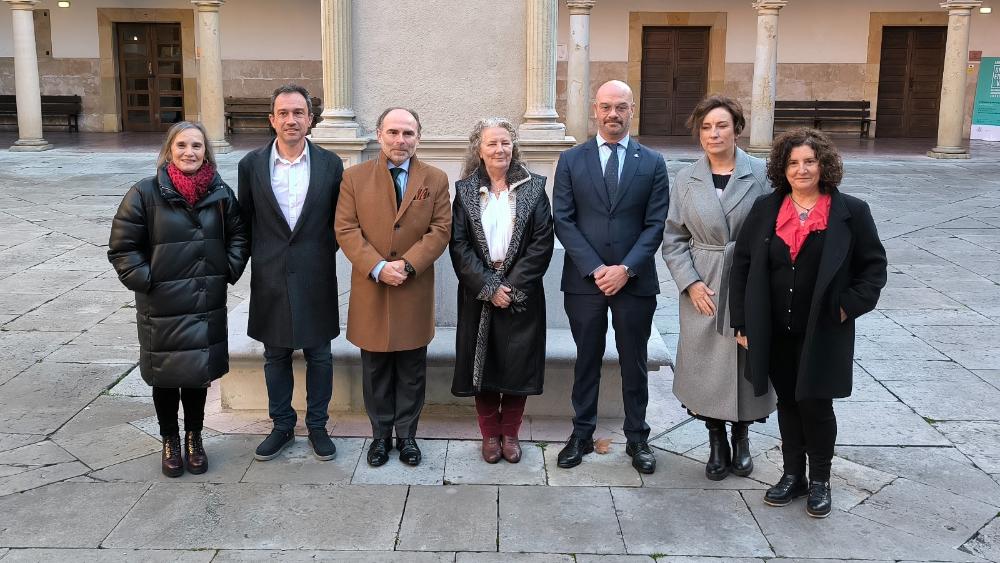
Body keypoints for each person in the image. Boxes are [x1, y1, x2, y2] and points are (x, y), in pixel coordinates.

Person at [730, 128, 887, 518]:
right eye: (793, 163)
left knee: (816, 405)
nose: (802, 170)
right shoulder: (767, 209)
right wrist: (743, 323)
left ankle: (820, 481)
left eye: (810, 162)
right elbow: (743, 265)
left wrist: (845, 308)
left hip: (823, 330)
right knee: (787, 403)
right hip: (774, 330)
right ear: (782, 168)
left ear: (824, 165)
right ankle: (792, 476)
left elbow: (874, 269)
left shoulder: (851, 211)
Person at [108, 121, 249, 477]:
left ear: (206, 152)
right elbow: (123, 247)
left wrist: (225, 270)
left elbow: (239, 235)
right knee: (167, 376)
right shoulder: (144, 193)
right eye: (182, 145)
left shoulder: (219, 193)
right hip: (163, 305)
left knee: (197, 375)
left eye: (197, 146)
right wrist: (147, 280)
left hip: (204, 300)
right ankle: (169, 439)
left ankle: (194, 438)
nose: (190, 152)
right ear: (170, 150)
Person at [553, 80, 670, 474]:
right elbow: (564, 221)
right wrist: (597, 268)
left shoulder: (652, 162)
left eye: (621, 107)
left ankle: (637, 437)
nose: (613, 114)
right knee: (586, 358)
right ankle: (581, 433)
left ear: (632, 110)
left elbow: (655, 225)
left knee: (634, 360)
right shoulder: (571, 160)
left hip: (634, 282)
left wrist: (625, 268)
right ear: (594, 109)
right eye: (606, 106)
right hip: (584, 281)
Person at [661, 95, 776, 481]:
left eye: (721, 125)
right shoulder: (686, 179)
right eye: (707, 127)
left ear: (736, 129)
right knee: (705, 363)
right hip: (704, 280)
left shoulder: (762, 174)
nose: (714, 133)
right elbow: (673, 237)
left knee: (745, 361)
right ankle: (715, 439)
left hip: (749, 280)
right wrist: (690, 283)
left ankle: (742, 438)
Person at [335, 107, 451, 467]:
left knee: (412, 369)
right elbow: (346, 229)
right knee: (376, 370)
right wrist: (378, 267)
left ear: (419, 136)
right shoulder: (354, 177)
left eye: (408, 133)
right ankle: (380, 437)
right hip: (373, 288)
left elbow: (440, 229)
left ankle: (408, 436)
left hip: (413, 289)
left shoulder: (435, 178)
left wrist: (409, 264)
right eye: (394, 133)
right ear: (380, 134)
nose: (401, 141)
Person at [237, 84, 344, 462]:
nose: (291, 120)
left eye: (298, 113)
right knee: (275, 355)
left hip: (316, 273)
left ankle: (317, 426)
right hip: (270, 275)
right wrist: (258, 260)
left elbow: (338, 222)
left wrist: (317, 254)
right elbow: (245, 221)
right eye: (283, 113)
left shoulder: (331, 165)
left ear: (310, 120)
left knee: (320, 354)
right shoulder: (250, 165)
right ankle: (282, 426)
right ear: (272, 119)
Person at [450, 118, 554, 464]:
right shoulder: (464, 190)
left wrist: (510, 286)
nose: (499, 149)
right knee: (483, 371)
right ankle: (489, 436)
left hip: (519, 295)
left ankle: (510, 434)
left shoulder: (535, 187)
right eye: (492, 143)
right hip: (479, 293)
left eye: (505, 143)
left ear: (514, 147)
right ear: (478, 149)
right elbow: (460, 245)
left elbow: (541, 243)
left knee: (516, 368)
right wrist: (489, 286)